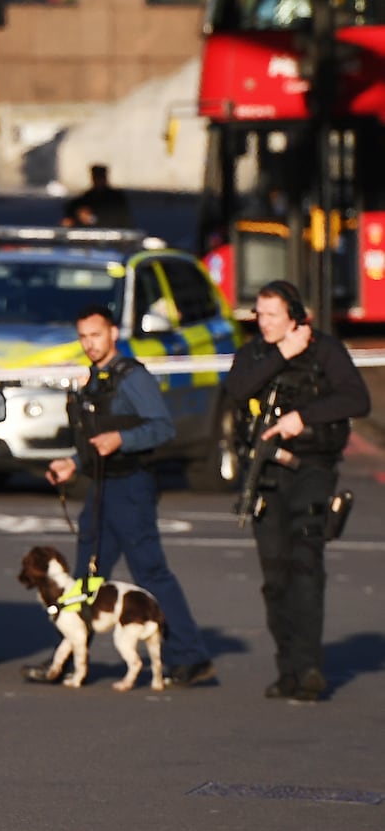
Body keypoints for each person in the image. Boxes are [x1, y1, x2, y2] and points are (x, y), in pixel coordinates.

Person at [25, 305, 215, 688]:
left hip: (132, 487)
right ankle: (67, 657)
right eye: (83, 337)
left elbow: (162, 429)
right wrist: (73, 463)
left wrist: (123, 440)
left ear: (113, 332)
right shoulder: (97, 379)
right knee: (86, 579)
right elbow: (98, 441)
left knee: (150, 572)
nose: (89, 344)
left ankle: (190, 657)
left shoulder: (132, 378)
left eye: (95, 335)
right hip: (101, 486)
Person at [223, 280, 369, 701]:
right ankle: (287, 666)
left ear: (295, 316)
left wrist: (302, 418)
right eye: (260, 315)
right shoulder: (256, 353)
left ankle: (308, 667)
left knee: (306, 562)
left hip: (311, 468)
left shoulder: (324, 350)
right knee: (276, 575)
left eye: (272, 316)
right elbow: (236, 390)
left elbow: (357, 399)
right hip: (266, 473)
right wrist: (281, 355)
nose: (263, 323)